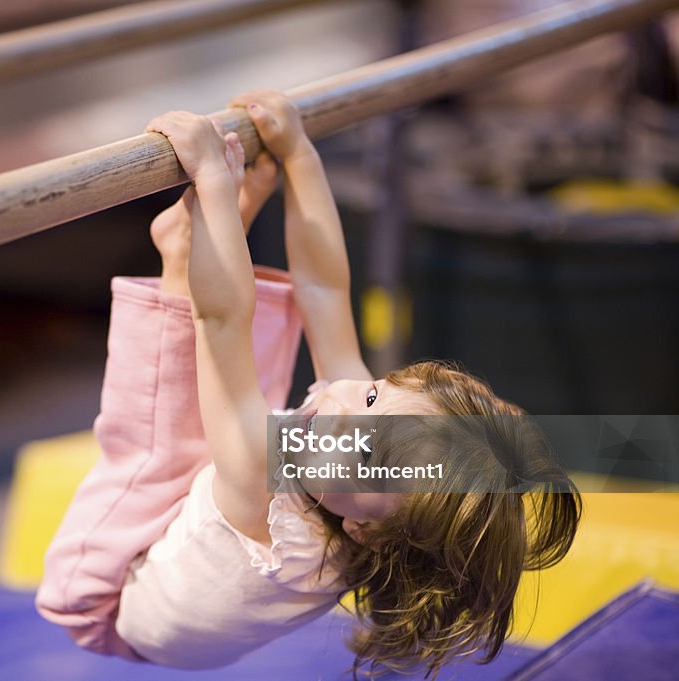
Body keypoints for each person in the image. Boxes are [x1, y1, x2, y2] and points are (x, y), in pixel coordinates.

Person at [36, 90, 581, 677]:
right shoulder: (361, 471)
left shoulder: (270, 507)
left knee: (173, 436)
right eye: (372, 396)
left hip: (106, 600)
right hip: (198, 553)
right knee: (254, 402)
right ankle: (189, 248)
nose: (342, 411)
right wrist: (299, 153)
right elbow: (323, 287)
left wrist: (214, 181)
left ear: (367, 532)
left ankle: (186, 255)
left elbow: (220, 321)